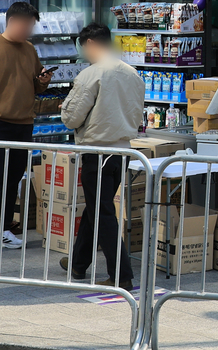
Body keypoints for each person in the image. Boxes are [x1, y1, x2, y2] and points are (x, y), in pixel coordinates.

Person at [58, 23, 146, 288]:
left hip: (97, 151)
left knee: (103, 211)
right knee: (99, 207)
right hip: (122, 151)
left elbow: (72, 119)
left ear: (90, 44)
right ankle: (77, 262)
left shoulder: (91, 74)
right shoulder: (133, 74)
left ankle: (122, 275)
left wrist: (66, 108)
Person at [0, 1, 53, 256]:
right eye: (26, 25)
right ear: (13, 21)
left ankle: (0, 230)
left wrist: (44, 81)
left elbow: (36, 85)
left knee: (12, 181)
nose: (28, 30)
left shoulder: (29, 50)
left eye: (31, 26)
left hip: (23, 124)